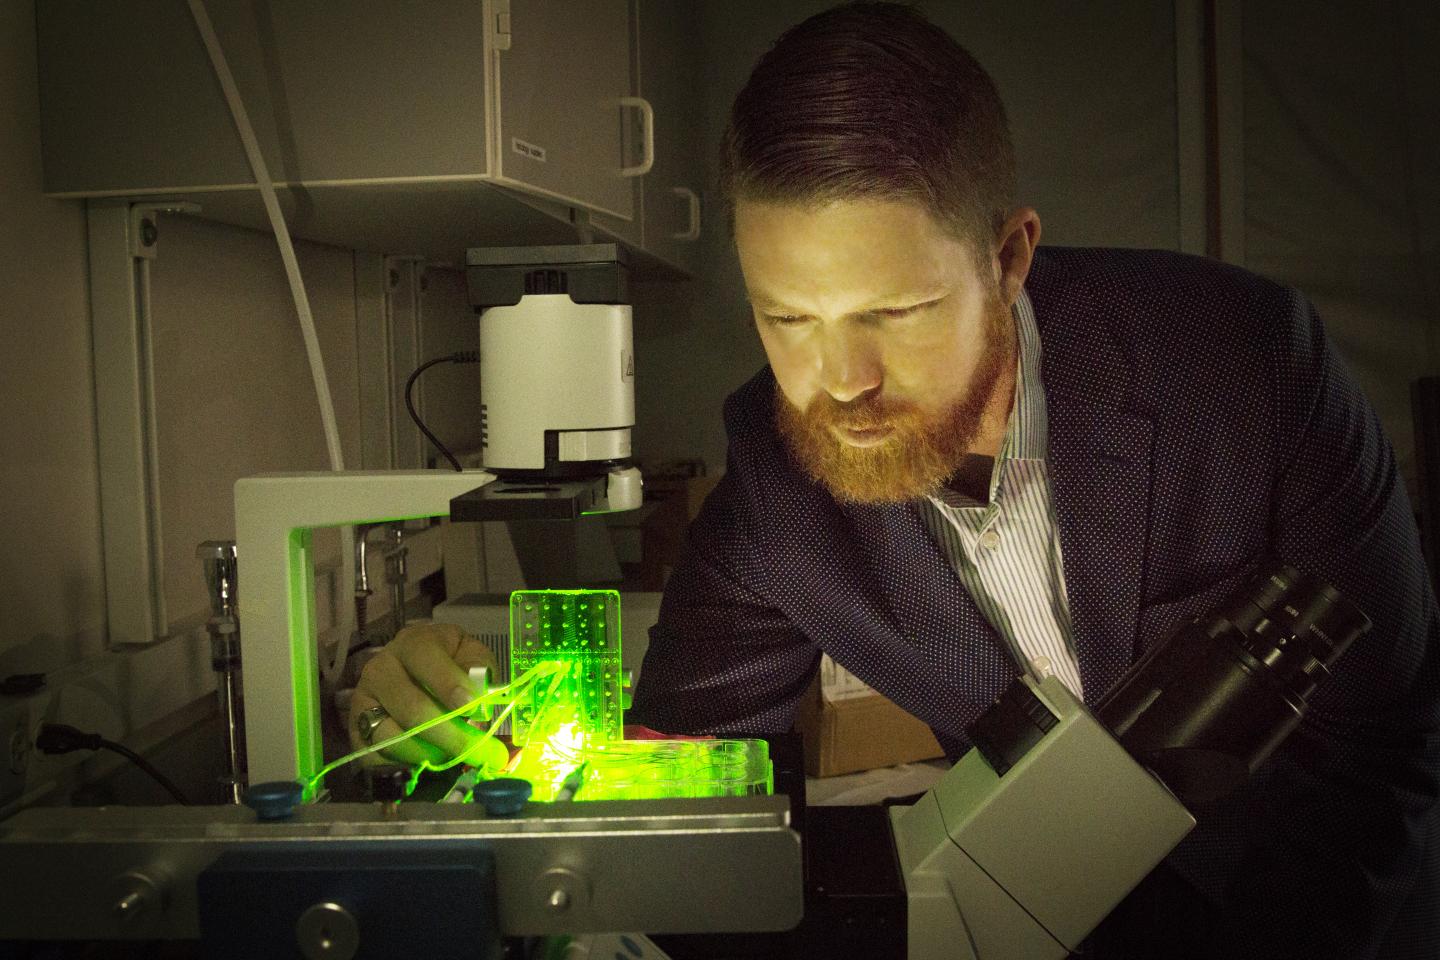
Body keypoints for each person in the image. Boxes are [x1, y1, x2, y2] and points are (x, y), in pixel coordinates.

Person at [352, 4, 1440, 956]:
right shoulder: (779, 485)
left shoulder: (1241, 361)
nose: (840, 384)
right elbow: (689, 787)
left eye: (898, 313)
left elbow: (1388, 746)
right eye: (788, 319)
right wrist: (472, 734)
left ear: (1008, 260)